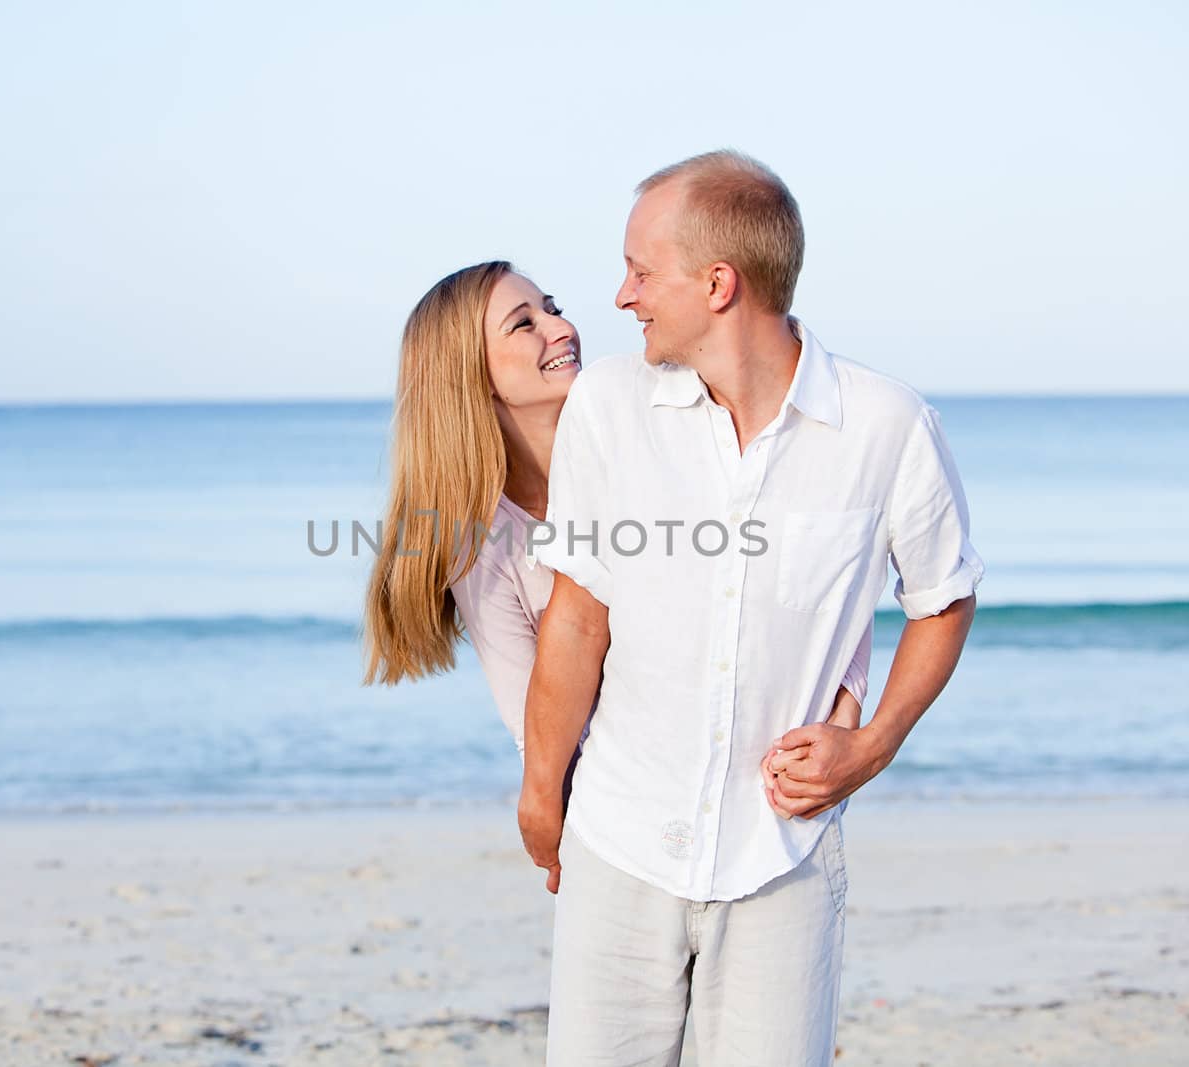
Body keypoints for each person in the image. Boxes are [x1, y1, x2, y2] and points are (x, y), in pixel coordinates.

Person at [518, 150, 984, 1065]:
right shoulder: (610, 405)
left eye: (641, 272)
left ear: (718, 283)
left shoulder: (887, 425)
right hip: (617, 842)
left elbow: (944, 597)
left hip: (786, 858)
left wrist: (873, 742)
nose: (622, 297)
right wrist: (541, 792)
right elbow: (578, 615)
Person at [360, 260, 871, 765]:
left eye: (552, 308)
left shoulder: (657, 431)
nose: (562, 328)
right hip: (627, 801)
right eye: (524, 323)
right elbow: (536, 738)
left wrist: (845, 710)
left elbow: (820, 559)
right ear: (471, 374)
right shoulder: (483, 545)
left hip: (765, 772)